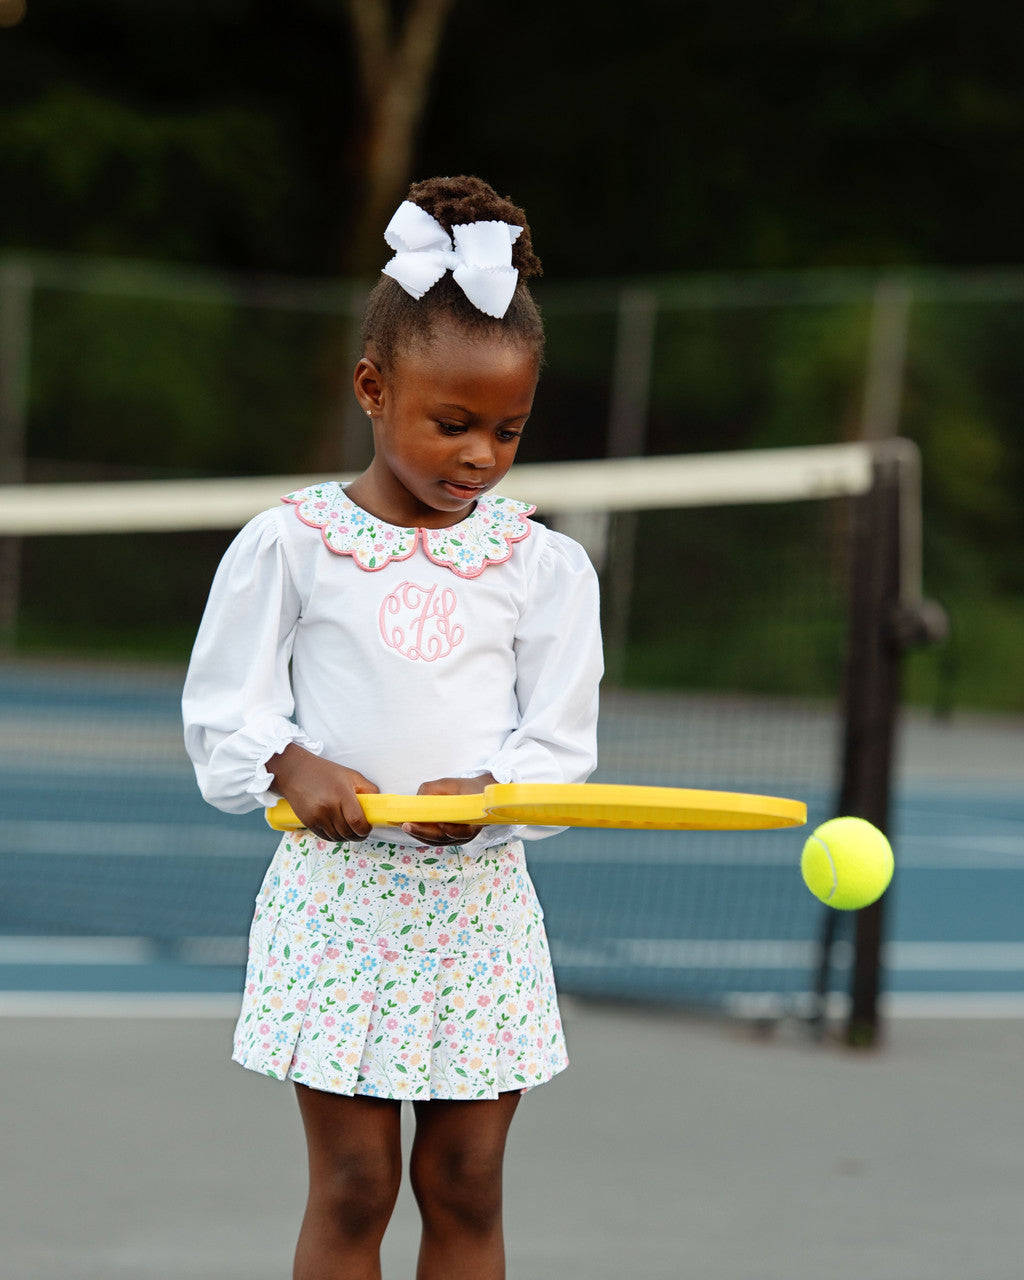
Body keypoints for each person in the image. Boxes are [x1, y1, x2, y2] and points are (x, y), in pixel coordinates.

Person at [182, 174, 604, 1280]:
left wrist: (496, 790)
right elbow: (223, 705)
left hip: (478, 913)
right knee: (358, 1183)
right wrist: (287, 756)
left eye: (506, 429)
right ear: (373, 387)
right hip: (339, 908)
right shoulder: (292, 543)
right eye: (452, 422)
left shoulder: (543, 566)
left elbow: (558, 743)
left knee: (464, 1181)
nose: (479, 455)